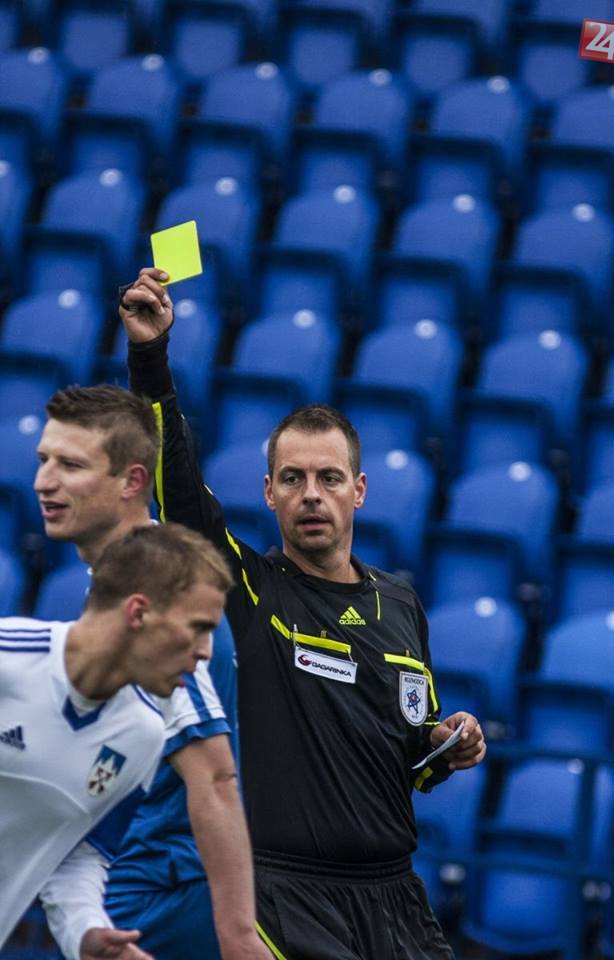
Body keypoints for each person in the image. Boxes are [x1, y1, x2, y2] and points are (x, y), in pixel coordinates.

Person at [120, 267, 488, 960]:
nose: (311, 494)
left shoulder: (400, 604)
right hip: (284, 896)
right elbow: (178, 490)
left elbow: (411, 757)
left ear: (359, 491)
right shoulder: (250, 590)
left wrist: (448, 743)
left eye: (328, 478)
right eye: (293, 478)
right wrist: (150, 358)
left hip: (395, 897)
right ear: (269, 492)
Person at [34, 384, 270, 960]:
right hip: (126, 887)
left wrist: (239, 937)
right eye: (44, 460)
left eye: (70, 465)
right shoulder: (128, 580)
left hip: (154, 900)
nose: (44, 482)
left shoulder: (160, 594)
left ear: (132, 481)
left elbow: (214, 776)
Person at [0, 522, 231, 960]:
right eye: (198, 628)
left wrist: (86, 931)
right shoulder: (7, 661)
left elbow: (77, 854)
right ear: (138, 613)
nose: (205, 651)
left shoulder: (142, 736)